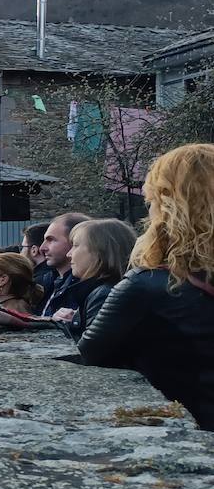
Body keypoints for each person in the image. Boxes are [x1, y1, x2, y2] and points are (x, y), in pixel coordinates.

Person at [79, 144, 214, 429]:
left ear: (166, 207)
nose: (148, 210)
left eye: (150, 201)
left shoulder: (147, 285)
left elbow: (90, 352)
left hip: (195, 439)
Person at [52, 219, 137, 339]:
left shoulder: (104, 294)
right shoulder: (114, 288)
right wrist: (75, 321)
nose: (69, 254)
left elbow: (92, 351)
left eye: (75, 246)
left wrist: (66, 327)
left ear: (100, 252)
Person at [38, 212, 93, 317]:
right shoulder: (46, 282)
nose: (42, 248)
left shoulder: (86, 289)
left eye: (51, 240)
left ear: (74, 241)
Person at [21, 222, 57, 302]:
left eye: (23, 248)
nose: (20, 253)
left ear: (34, 250)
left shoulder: (36, 283)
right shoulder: (59, 275)